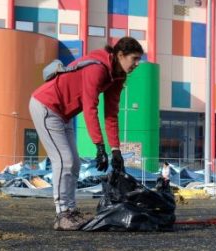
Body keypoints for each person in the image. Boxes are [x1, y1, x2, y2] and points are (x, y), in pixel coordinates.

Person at [29, 36, 143, 230]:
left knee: (75, 161)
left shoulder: (117, 75)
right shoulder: (97, 68)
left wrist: (115, 150)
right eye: (134, 59)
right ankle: (62, 214)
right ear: (121, 55)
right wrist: (99, 146)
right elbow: (90, 107)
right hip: (46, 106)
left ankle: (70, 212)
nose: (137, 64)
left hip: (63, 114)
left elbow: (111, 114)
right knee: (64, 160)